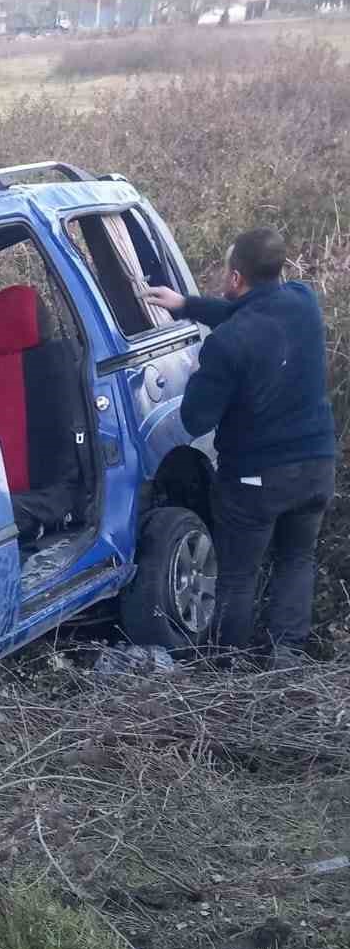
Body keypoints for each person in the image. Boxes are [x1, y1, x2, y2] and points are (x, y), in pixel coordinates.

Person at [145, 227, 337, 661]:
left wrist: (199, 371)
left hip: (257, 478)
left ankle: (226, 667)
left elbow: (196, 419)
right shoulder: (303, 302)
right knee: (296, 559)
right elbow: (255, 313)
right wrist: (186, 306)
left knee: (237, 574)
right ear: (278, 269)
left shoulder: (227, 346)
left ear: (235, 279)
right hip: (316, 467)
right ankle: (285, 656)